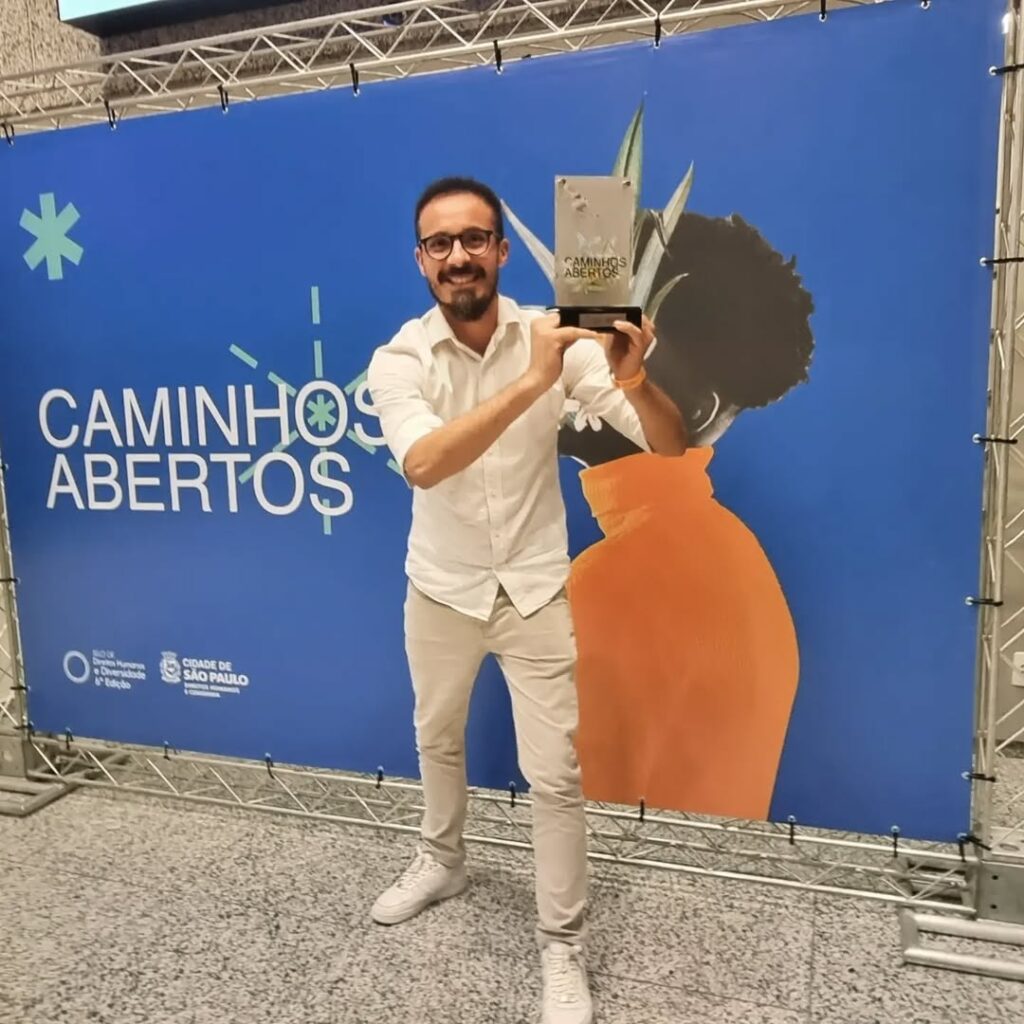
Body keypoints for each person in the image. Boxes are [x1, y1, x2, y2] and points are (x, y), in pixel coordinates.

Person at [365, 176, 687, 1024]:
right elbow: (424, 463)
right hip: (441, 587)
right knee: (436, 737)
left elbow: (667, 443)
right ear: (422, 261)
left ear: (502, 251)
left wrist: (636, 378)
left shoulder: (558, 337)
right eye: (440, 243)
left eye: (474, 239)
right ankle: (443, 861)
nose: (458, 256)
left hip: (535, 588)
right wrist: (531, 383)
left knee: (555, 774)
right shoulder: (400, 358)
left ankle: (562, 945)